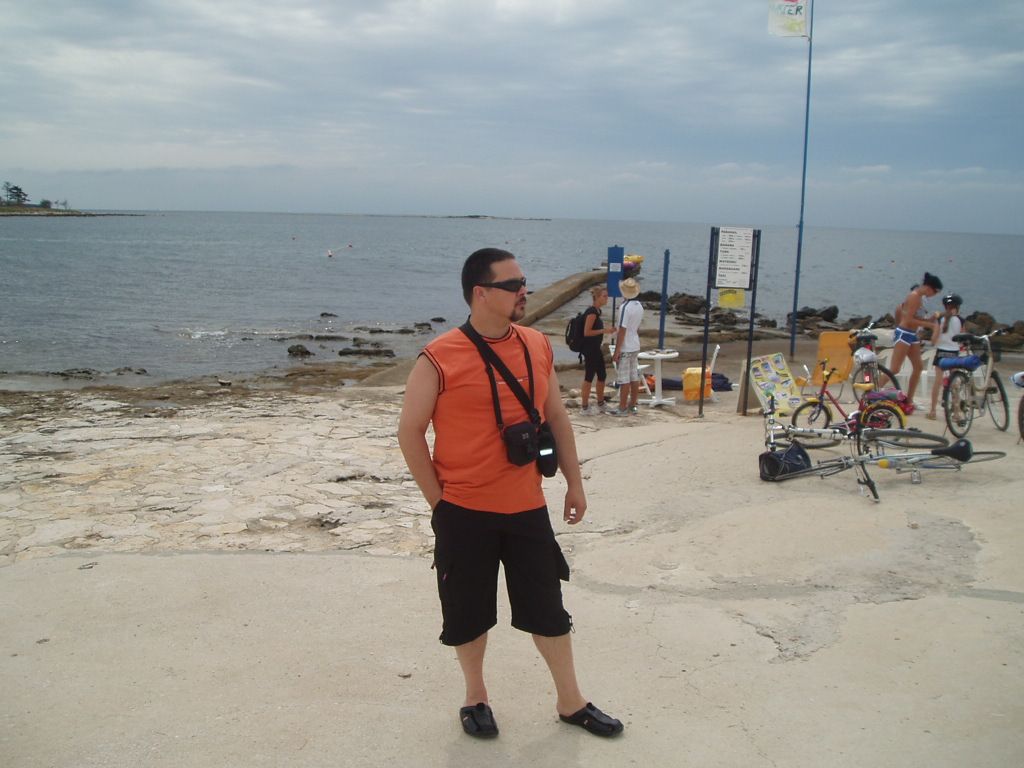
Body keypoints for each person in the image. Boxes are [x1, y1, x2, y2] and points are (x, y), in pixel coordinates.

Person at [397, 248, 623, 740]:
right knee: (468, 613)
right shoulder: (438, 356)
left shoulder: (536, 345)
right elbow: (410, 432)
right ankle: (475, 696)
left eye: (524, 281)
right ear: (481, 293)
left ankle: (571, 701)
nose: (524, 291)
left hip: (526, 507)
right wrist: (440, 503)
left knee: (548, 609)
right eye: (513, 284)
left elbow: (556, 417)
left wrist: (575, 483)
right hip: (464, 511)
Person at [889, 271, 942, 407]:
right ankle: (872, 393)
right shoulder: (914, 296)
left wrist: (931, 320)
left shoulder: (920, 298)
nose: (933, 295)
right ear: (929, 288)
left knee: (918, 367)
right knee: (895, 369)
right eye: (935, 292)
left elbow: (917, 319)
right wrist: (931, 325)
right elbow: (908, 320)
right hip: (904, 333)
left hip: (912, 335)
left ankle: (909, 400)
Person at [579, 285, 617, 415]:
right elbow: (587, 332)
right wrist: (604, 331)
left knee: (602, 375)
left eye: (607, 296)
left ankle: (601, 403)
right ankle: (584, 407)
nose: (607, 298)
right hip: (590, 349)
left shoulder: (597, 311)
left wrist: (605, 331)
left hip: (596, 348)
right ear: (597, 297)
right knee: (589, 377)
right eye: (604, 296)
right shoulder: (592, 312)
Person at [927, 293, 964, 420]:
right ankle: (957, 412)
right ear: (958, 307)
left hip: (941, 353)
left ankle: (933, 411)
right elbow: (962, 339)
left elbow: (934, 339)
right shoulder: (961, 320)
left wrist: (934, 342)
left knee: (937, 383)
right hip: (954, 353)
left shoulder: (940, 319)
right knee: (955, 383)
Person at [610, 277, 644, 416]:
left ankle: (622, 407)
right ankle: (632, 404)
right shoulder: (639, 305)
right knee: (634, 377)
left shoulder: (625, 307)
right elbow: (635, 326)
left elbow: (622, 330)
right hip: (635, 343)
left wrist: (617, 350)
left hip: (626, 346)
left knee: (624, 379)